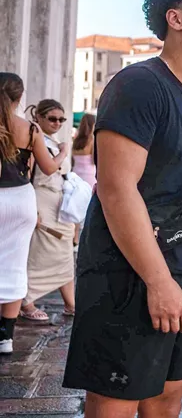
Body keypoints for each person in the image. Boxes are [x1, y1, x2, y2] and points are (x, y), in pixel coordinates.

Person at [63, 0, 182, 418]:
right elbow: (117, 190)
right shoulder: (139, 85)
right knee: (117, 399)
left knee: (166, 396)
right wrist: (157, 281)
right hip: (126, 268)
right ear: (175, 19)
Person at [0, 74, 65, 354]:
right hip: (20, 200)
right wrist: (63, 153)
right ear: (19, 97)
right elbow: (49, 168)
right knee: (14, 265)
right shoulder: (30, 129)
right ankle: (5, 338)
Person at [18, 100, 74, 322]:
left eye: (61, 119)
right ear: (39, 117)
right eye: (52, 118)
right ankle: (26, 302)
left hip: (60, 204)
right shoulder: (34, 137)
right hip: (41, 199)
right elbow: (29, 173)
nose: (57, 123)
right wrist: (63, 152)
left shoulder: (53, 139)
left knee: (64, 253)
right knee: (40, 253)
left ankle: (71, 304)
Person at [70, 113, 96, 249]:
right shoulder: (92, 140)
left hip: (76, 174)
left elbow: (72, 159)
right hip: (89, 176)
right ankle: (81, 240)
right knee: (86, 208)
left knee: (76, 206)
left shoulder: (76, 140)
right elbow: (94, 160)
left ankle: (74, 238)